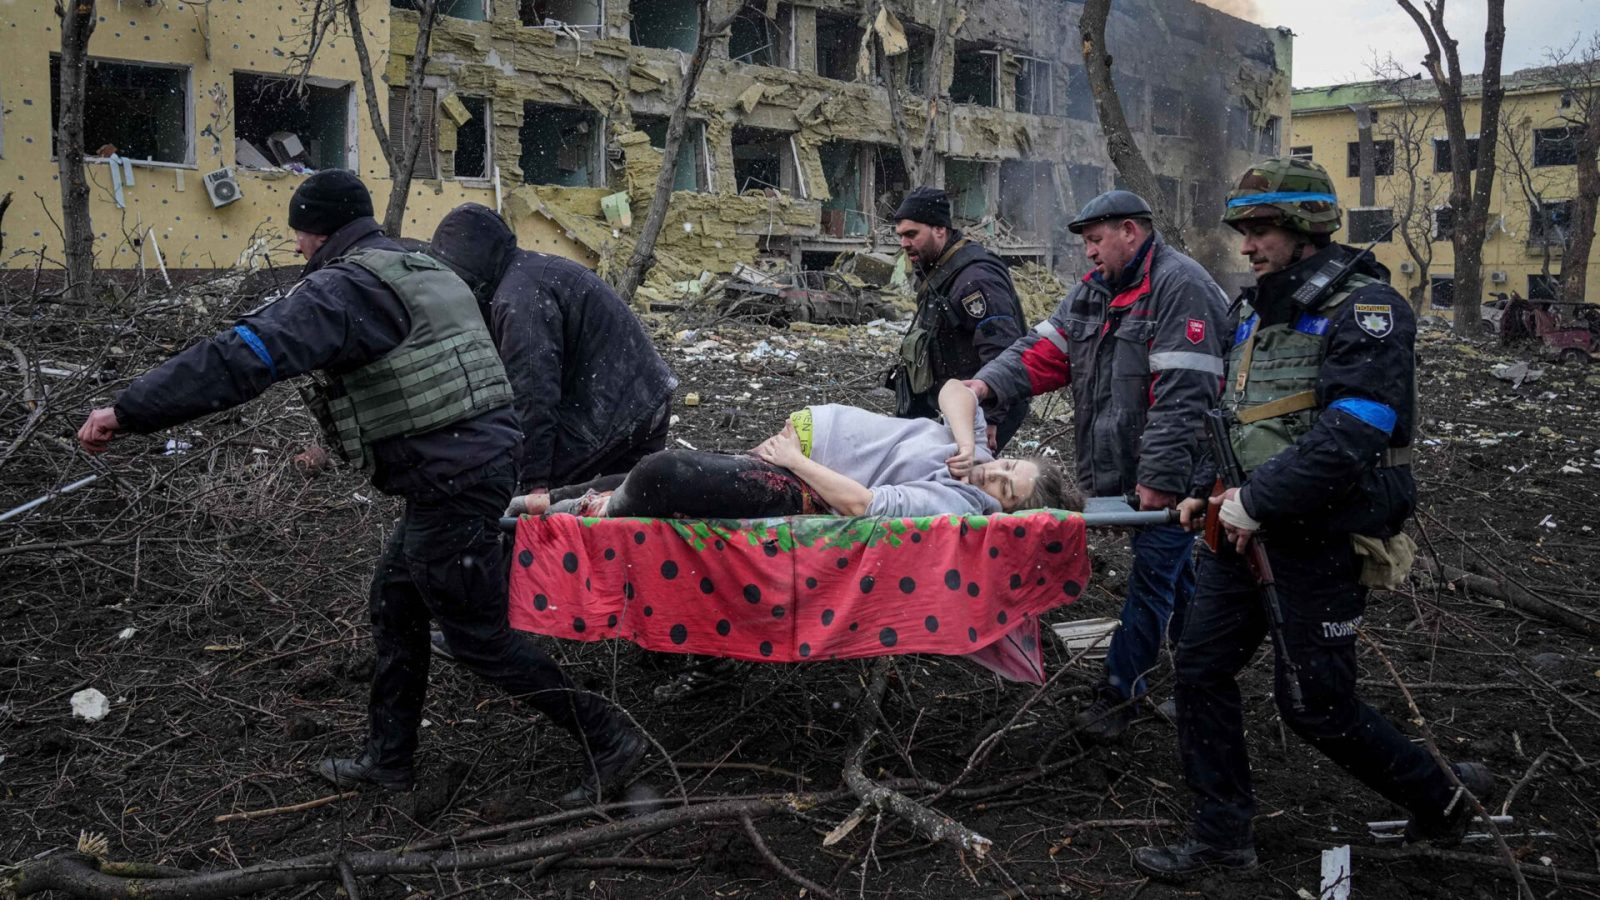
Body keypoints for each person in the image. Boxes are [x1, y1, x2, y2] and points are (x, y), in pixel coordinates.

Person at [75, 171, 646, 807]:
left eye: (298, 233)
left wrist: (128, 411)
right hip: (469, 464)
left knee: (476, 635)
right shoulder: (415, 261)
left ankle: (609, 737)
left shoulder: (344, 289)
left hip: (454, 476)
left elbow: (243, 357)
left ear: (316, 231)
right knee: (396, 603)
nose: (295, 249)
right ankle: (388, 760)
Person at [1133, 157, 1495, 880]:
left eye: (1262, 228)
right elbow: (1240, 422)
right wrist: (1211, 492)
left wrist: (1255, 502)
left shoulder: (1366, 311)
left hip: (1319, 537)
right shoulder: (1255, 312)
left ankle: (1445, 804)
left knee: (1315, 705)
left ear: (1306, 228)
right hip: (1240, 534)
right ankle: (1221, 843)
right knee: (1199, 669)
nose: (1248, 244)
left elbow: (1355, 431)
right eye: (1245, 229)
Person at [965, 189, 1228, 740]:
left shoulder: (1182, 288)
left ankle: (1119, 691)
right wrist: (985, 386)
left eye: (1095, 240)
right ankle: (1201, 669)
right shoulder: (1093, 293)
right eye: (1085, 242)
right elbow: (1042, 352)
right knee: (1174, 573)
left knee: (1153, 577)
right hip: (1123, 469)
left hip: (1176, 473)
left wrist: (1159, 479)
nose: (1087, 253)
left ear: (1130, 231)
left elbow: (1185, 395)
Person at [429, 203, 677, 516]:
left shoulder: (518, 298)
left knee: (536, 509)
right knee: (621, 517)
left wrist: (533, 484)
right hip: (642, 398)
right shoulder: (527, 274)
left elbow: (533, 393)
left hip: (614, 412)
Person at [587, 381, 1074, 520]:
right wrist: (967, 443)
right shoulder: (977, 458)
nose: (995, 476)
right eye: (1008, 466)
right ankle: (541, 501)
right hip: (801, 440)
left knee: (664, 474)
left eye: (1006, 491)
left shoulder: (958, 502)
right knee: (662, 475)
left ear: (1006, 512)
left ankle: (566, 510)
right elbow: (956, 391)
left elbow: (863, 505)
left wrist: (795, 460)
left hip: (802, 478)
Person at [888, 187, 1029, 451]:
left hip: (981, 407)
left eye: (911, 234)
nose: (904, 244)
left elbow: (1001, 350)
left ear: (940, 229)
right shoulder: (940, 270)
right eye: (901, 236)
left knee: (966, 480)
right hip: (956, 404)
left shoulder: (975, 279)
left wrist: (990, 416)